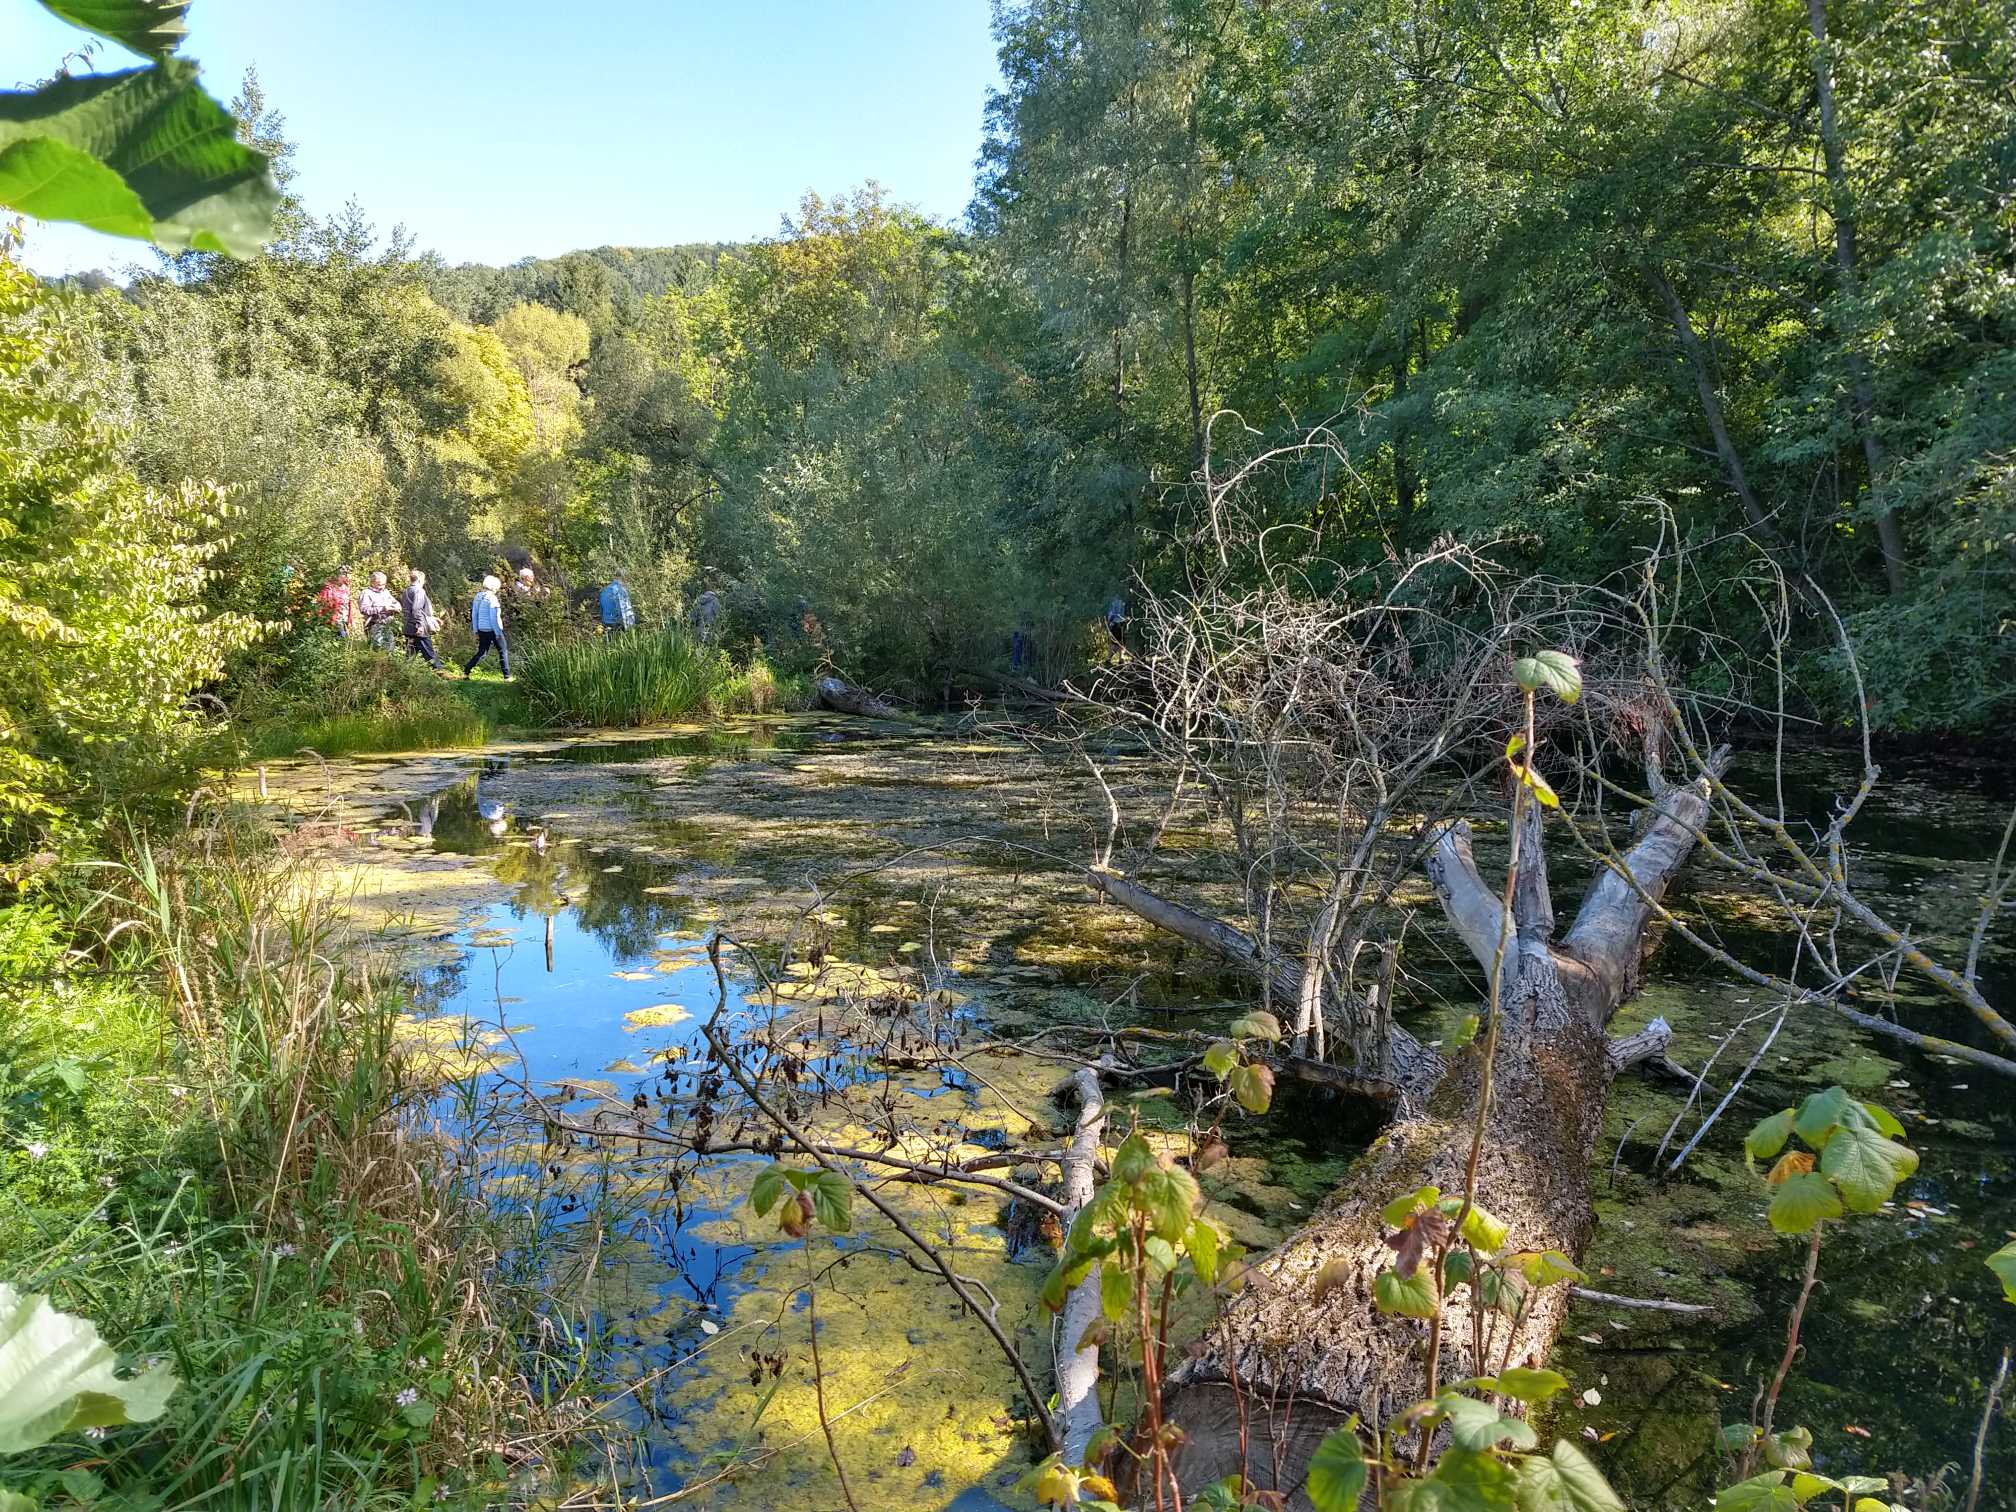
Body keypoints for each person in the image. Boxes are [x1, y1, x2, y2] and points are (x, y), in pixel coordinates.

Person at [464, 574, 512, 680]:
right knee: (502, 650)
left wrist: (476, 630)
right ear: (495, 587)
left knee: (482, 652)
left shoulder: (478, 596)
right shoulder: (493, 598)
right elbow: (493, 617)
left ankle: (466, 671)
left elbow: (474, 614)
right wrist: (498, 632)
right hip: (492, 630)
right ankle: (507, 676)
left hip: (481, 629)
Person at [400, 570, 443, 669]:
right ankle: (440, 672)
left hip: (407, 626)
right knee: (428, 651)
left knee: (410, 655)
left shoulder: (406, 591)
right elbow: (416, 609)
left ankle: (404, 673)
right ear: (420, 580)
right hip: (418, 628)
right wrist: (419, 624)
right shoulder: (419, 591)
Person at [357, 571, 399, 650]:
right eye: (379, 584)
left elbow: (394, 602)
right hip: (374, 624)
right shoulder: (366, 593)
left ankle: (387, 661)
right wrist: (382, 608)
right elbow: (364, 609)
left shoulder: (385, 592)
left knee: (390, 647)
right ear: (372, 583)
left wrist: (397, 607)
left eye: (384, 584)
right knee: (377, 648)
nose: (382, 587)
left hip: (387, 624)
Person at [316, 569, 356, 636]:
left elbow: (349, 606)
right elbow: (321, 605)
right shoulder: (328, 589)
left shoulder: (346, 589)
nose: (346, 578)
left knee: (343, 641)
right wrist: (321, 618)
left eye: (346, 576)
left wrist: (351, 620)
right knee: (342, 637)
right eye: (343, 575)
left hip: (344, 620)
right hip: (333, 621)